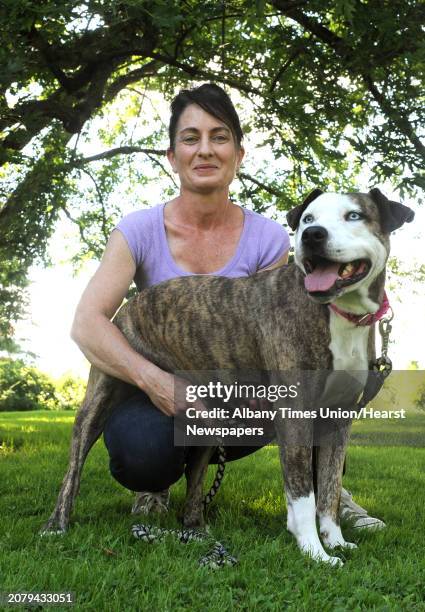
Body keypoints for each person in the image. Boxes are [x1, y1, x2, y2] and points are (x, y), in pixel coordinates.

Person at [71, 83, 385, 528]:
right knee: (142, 449)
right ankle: (152, 487)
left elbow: (297, 340)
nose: (205, 150)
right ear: (172, 156)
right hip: (158, 387)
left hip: (238, 393)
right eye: (190, 137)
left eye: (219, 137)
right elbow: (87, 323)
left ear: (238, 155)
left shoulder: (270, 239)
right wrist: (157, 382)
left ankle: (329, 499)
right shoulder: (137, 230)